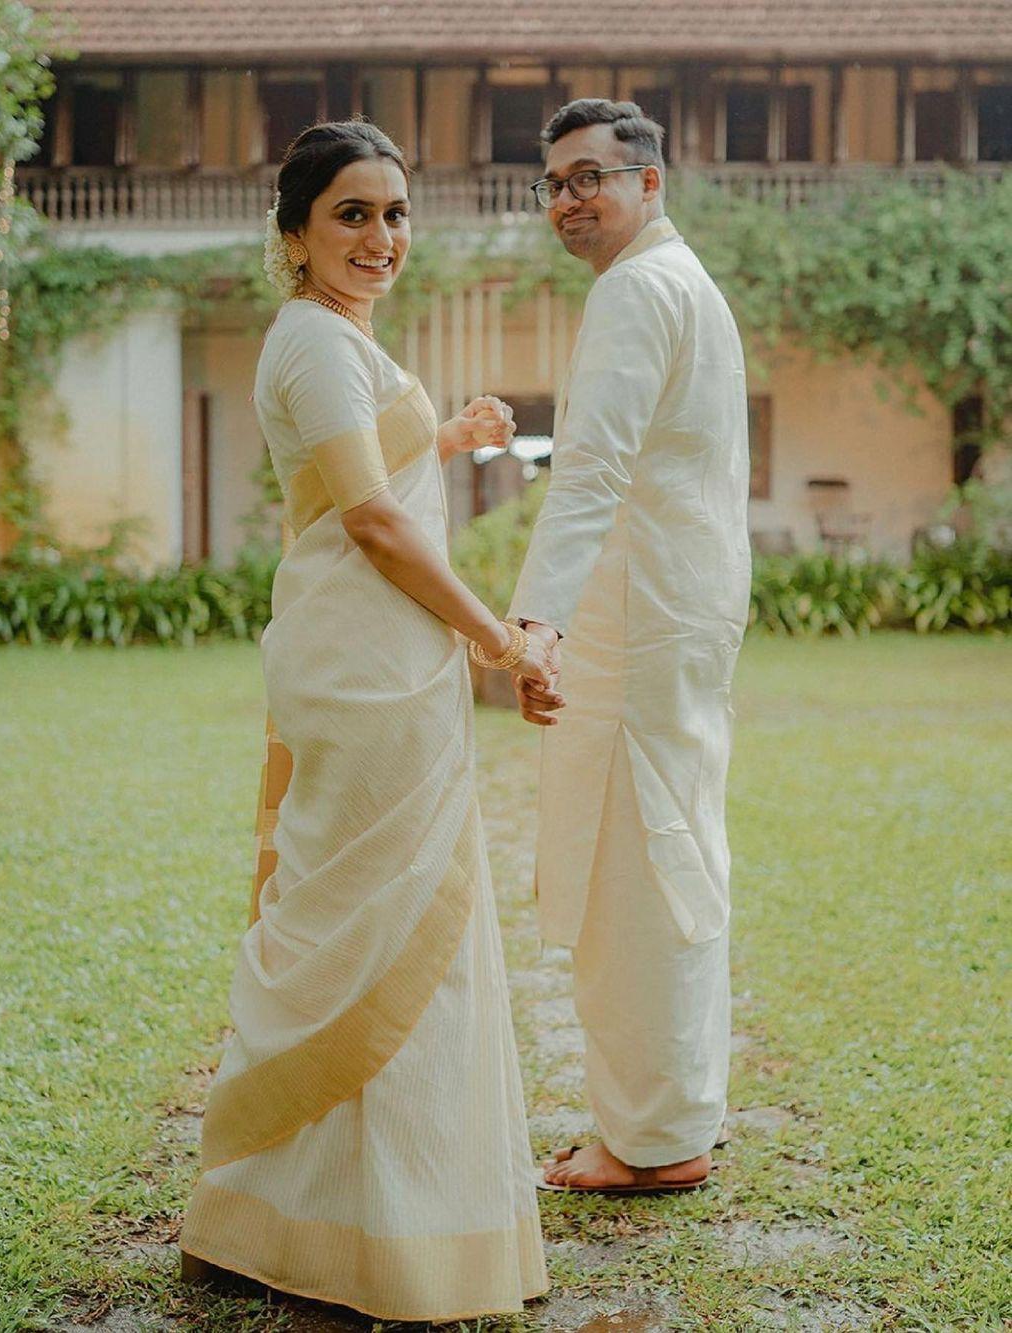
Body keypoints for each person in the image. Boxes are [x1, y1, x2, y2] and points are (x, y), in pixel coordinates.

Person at [179, 120, 550, 1321]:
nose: (381, 237)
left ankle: (295, 1208)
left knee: (377, 922)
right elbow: (380, 530)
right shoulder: (317, 344)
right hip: (369, 662)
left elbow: (353, 486)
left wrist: (443, 435)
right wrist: (497, 639)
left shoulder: (332, 342)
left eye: (394, 213)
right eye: (351, 213)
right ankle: (367, 1233)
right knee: (382, 926)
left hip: (381, 653)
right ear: (294, 234)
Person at [509, 99, 751, 1194]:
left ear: (649, 182)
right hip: (682, 608)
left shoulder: (637, 290)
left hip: (642, 616)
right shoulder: (683, 282)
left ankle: (653, 1142)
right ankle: (676, 1113)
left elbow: (592, 468)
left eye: (589, 177)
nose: (568, 198)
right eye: (554, 182)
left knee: (636, 869)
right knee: (677, 853)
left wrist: (535, 622)